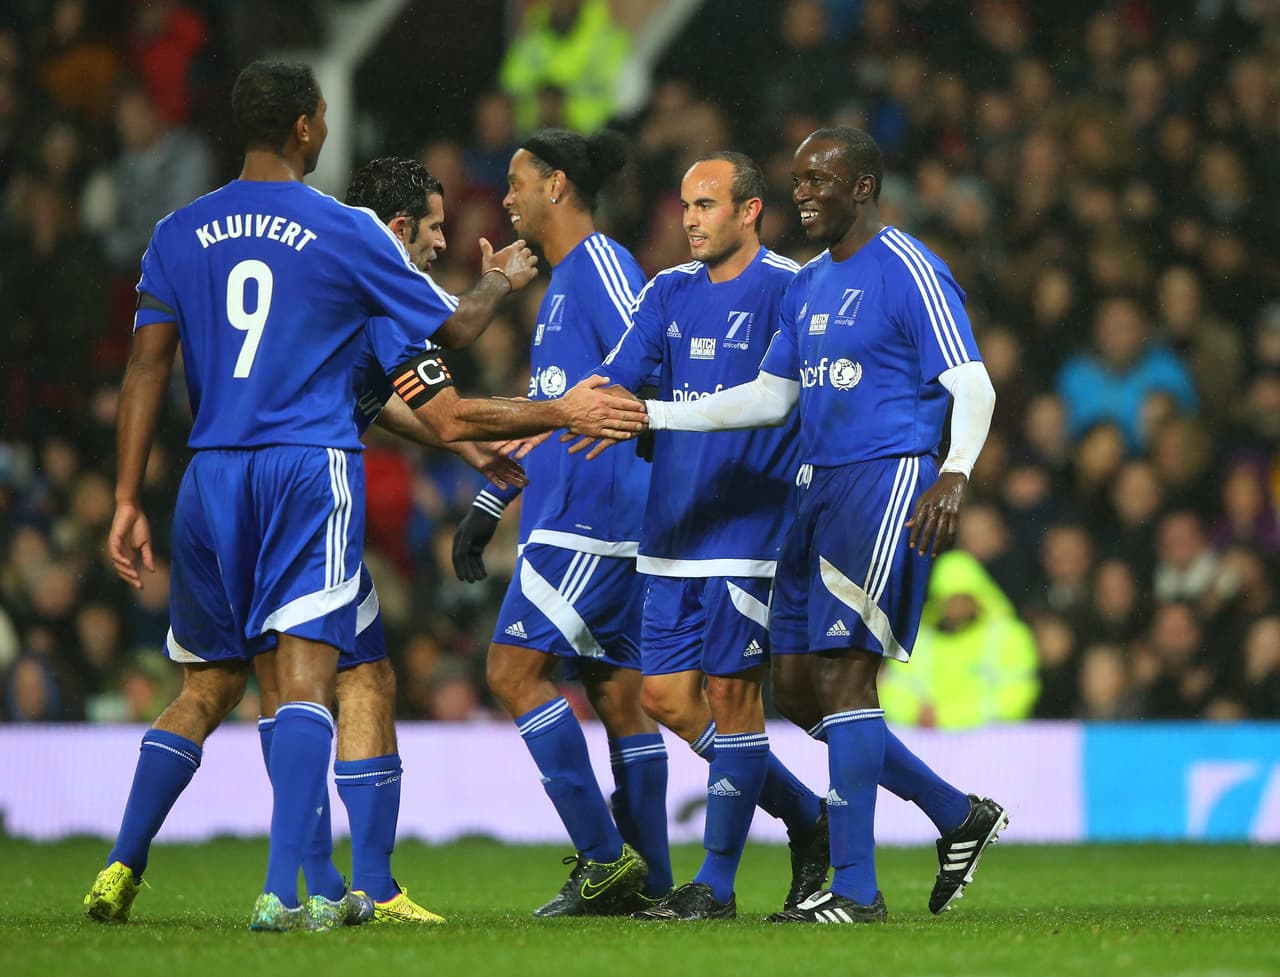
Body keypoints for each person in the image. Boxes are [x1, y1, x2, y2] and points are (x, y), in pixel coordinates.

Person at [83, 61, 643, 934]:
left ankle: (128, 861)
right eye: (425, 232)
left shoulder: (175, 231)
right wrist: (511, 312)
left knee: (218, 684)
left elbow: (148, 367)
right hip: (307, 471)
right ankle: (295, 885)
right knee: (307, 682)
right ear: (308, 126)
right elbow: (448, 357)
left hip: (209, 474)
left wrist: (124, 497)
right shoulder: (341, 233)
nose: (429, 245)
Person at [632, 127, 1006, 923]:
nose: (802, 193)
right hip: (813, 490)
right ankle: (956, 812)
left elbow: (973, 385)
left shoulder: (909, 267)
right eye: (797, 180)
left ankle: (856, 889)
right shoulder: (805, 285)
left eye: (818, 180)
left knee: (844, 677)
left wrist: (955, 471)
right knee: (799, 690)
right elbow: (771, 399)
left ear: (862, 186)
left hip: (885, 479)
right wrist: (660, 413)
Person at [565, 152, 828, 920]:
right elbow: (621, 379)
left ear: (749, 211)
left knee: (733, 695)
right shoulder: (668, 290)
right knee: (668, 697)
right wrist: (556, 412)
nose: (689, 218)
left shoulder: (789, 286)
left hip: (749, 530)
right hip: (672, 529)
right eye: (685, 204)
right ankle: (807, 815)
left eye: (706, 204)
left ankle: (713, 883)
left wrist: (653, 414)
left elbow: (769, 403)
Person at [452, 128, 672, 916]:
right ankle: (654, 879)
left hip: (595, 516)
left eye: (516, 181)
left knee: (512, 672)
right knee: (618, 694)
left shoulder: (605, 267)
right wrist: (493, 497)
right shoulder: (562, 285)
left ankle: (604, 858)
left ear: (556, 187)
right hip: (577, 511)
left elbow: (656, 364)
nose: (504, 197)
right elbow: (563, 407)